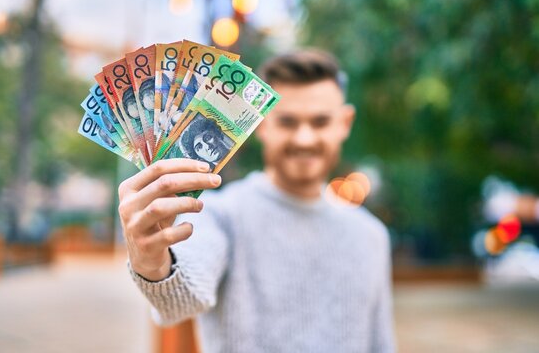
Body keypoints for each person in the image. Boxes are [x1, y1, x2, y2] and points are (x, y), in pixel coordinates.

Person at [118, 49, 395, 352]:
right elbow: (179, 300)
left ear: (345, 122)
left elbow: (381, 343)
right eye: (288, 122)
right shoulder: (219, 215)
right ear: (260, 123)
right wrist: (152, 264)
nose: (304, 138)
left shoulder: (371, 236)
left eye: (319, 122)